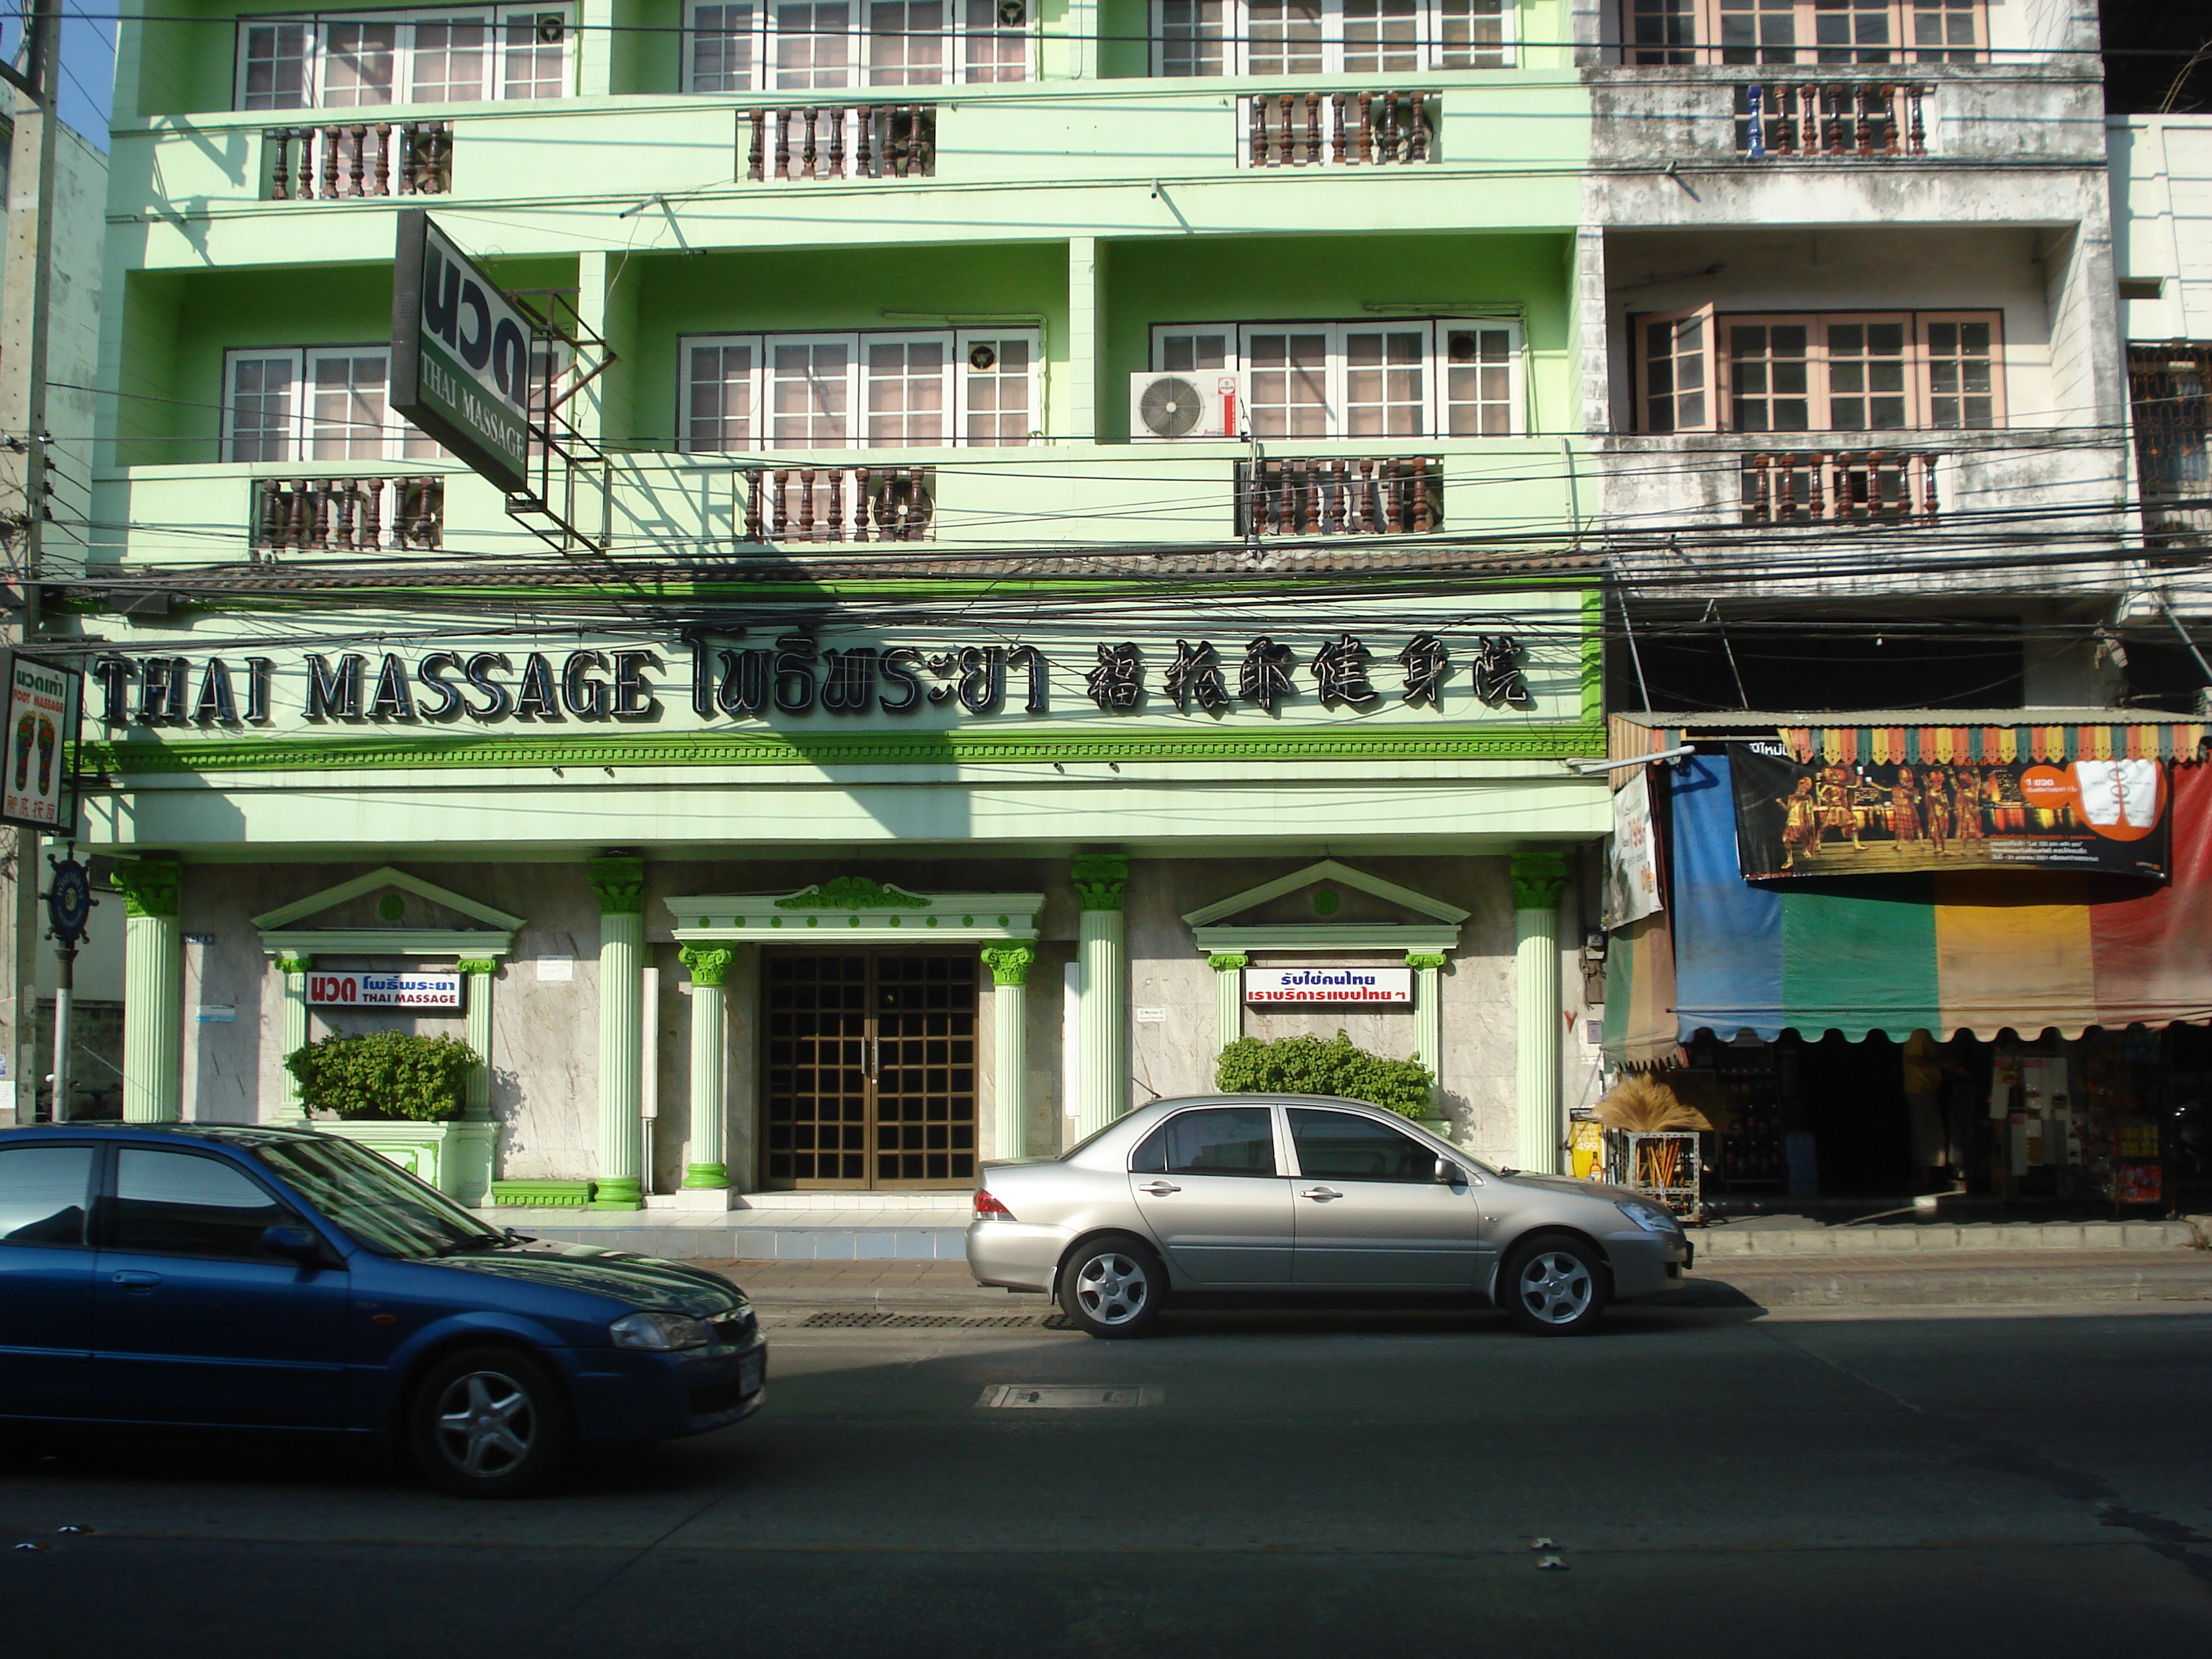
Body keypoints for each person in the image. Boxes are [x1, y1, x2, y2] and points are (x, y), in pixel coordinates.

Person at [1778, 776, 1820, 868]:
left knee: (1802, 839)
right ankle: (1790, 859)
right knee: (1785, 839)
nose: (1800, 790)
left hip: (1800, 822)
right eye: (1799, 788)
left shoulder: (1807, 799)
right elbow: (1788, 810)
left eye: (1803, 788)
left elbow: (1809, 812)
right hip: (1791, 822)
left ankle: (1805, 850)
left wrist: (1810, 822)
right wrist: (1781, 803)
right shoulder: (1791, 798)